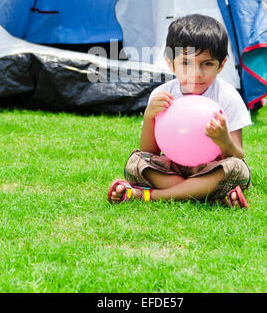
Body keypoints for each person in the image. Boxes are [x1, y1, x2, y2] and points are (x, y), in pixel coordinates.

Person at [108, 14, 252, 208]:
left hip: (212, 168)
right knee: (136, 161)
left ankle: (148, 196)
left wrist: (223, 140)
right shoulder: (162, 94)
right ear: (170, 63)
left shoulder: (226, 96)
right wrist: (150, 116)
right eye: (186, 63)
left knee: (237, 168)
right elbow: (149, 151)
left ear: (221, 65)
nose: (196, 73)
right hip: (173, 169)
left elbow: (237, 156)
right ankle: (210, 194)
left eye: (207, 64)